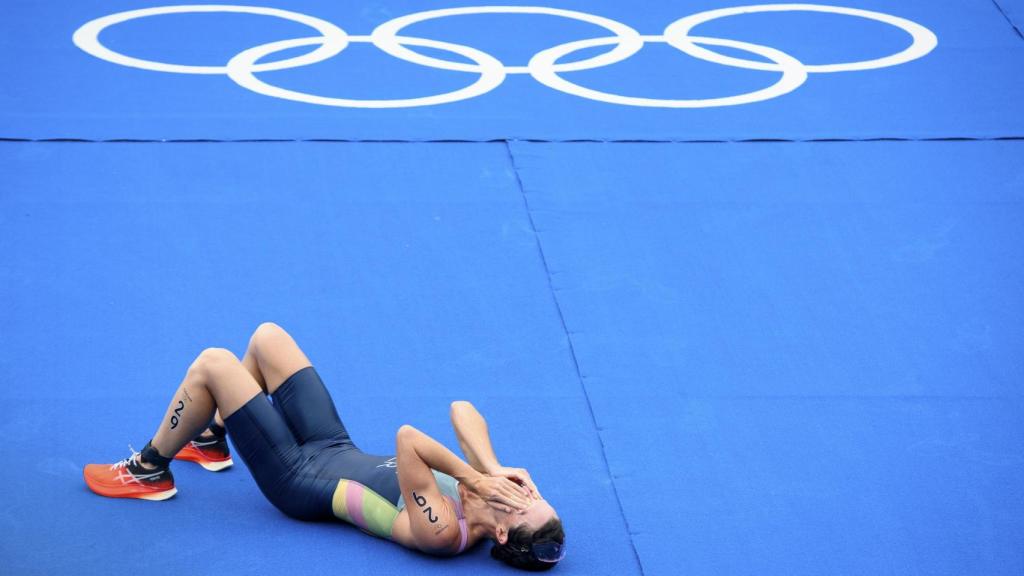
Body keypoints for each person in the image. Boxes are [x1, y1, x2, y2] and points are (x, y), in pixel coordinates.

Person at [84, 323, 565, 570]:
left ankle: (150, 469)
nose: (525, 493)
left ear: (502, 534)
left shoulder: (444, 533)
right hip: (331, 444)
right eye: (535, 493)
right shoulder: (485, 487)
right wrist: (492, 466)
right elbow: (462, 409)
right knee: (268, 338)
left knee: (214, 363)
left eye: (524, 506)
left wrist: (474, 476)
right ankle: (209, 439)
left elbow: (408, 440)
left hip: (298, 478)